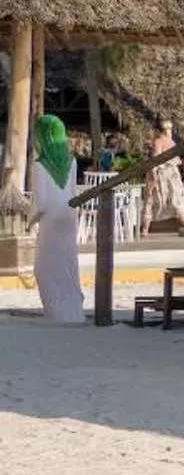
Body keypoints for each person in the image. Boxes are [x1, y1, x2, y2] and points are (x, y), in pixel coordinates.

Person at [27, 114, 84, 324]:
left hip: (50, 221)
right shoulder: (72, 162)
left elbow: (41, 203)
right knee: (68, 266)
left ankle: (58, 314)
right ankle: (74, 313)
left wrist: (29, 221)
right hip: (68, 219)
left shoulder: (40, 165)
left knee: (45, 268)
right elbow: (74, 196)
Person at [142, 120, 184, 233]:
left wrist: (153, 176)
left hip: (161, 173)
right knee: (176, 200)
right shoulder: (171, 142)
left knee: (150, 200)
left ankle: (145, 229)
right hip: (172, 174)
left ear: (157, 130)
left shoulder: (157, 141)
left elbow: (156, 160)